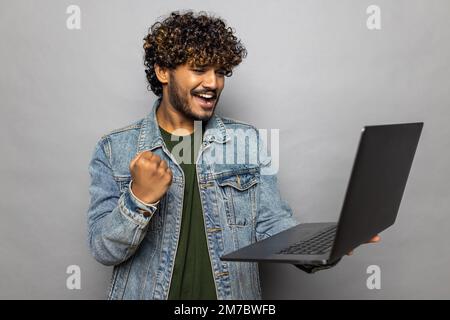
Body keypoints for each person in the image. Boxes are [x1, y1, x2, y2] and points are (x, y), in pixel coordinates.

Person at [87, 10, 379, 300]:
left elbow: (271, 224)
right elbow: (104, 249)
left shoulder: (246, 141)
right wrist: (140, 199)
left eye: (220, 71)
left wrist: (322, 246)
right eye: (200, 69)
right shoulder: (115, 149)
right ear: (163, 71)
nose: (213, 83)